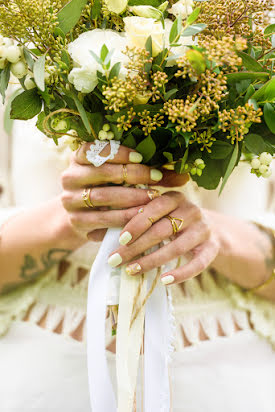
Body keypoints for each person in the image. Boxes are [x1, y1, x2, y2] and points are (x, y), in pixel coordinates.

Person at [0, 104, 274, 412]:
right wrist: (75, 215)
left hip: (230, 374)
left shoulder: (262, 65)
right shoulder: (21, 64)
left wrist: (213, 235)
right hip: (43, 370)